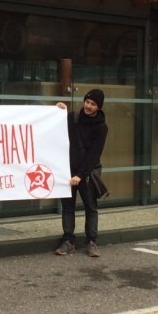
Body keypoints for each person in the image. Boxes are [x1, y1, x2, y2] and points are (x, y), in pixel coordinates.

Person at [54, 89, 109, 257]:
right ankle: (68, 241)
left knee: (90, 207)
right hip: (68, 171)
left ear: (99, 107)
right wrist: (58, 110)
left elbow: (94, 154)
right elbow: (55, 125)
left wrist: (80, 175)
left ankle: (91, 241)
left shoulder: (101, 127)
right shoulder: (73, 118)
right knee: (67, 207)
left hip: (88, 173)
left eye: (93, 104)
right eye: (87, 102)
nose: (88, 106)